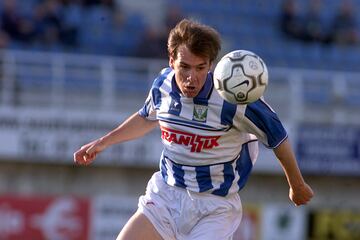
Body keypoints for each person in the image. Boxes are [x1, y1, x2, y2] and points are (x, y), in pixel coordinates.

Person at [74, 18, 314, 240]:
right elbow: (147, 118)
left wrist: (297, 184)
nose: (191, 77)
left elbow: (278, 137)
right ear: (171, 60)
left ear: (211, 65)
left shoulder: (233, 98)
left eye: (200, 68)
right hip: (165, 195)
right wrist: (103, 142)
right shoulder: (162, 84)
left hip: (215, 207)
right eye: (184, 67)